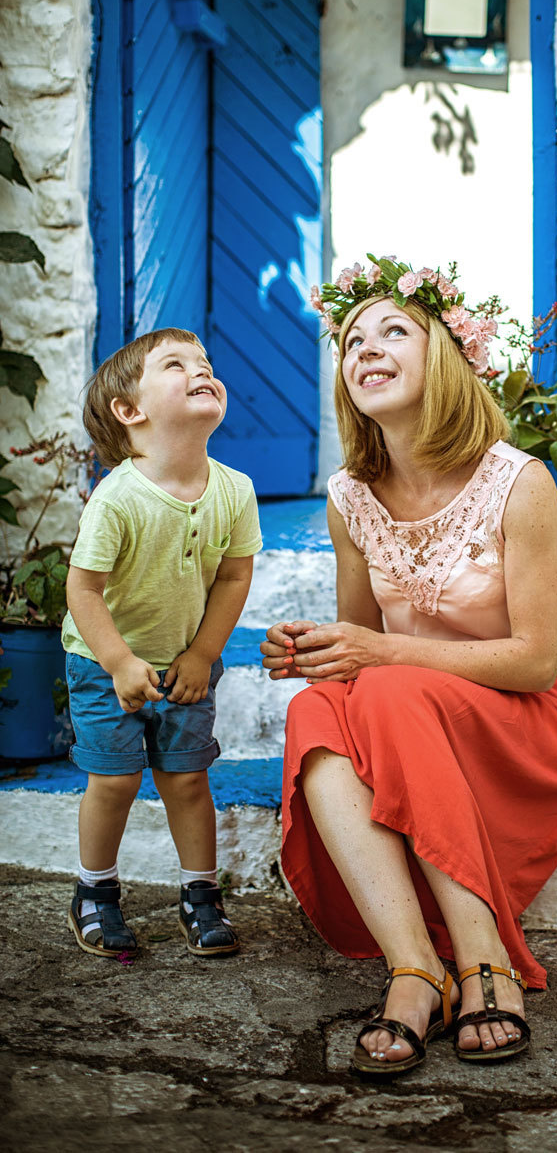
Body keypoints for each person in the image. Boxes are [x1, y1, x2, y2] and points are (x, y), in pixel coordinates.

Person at [261, 257, 557, 1078]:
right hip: (406, 718)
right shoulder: (350, 497)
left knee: (390, 681)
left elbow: (538, 658)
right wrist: (314, 650)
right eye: (351, 341)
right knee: (315, 710)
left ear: (442, 354)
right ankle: (416, 968)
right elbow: (359, 643)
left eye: (393, 331)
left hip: (517, 729)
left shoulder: (519, 482)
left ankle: (485, 954)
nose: (365, 348)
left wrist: (377, 654)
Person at [62, 329, 262, 958]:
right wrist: (119, 662)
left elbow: (233, 575)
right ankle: (95, 891)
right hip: (103, 663)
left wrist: (203, 653)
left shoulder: (235, 489)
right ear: (131, 411)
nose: (202, 370)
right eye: (176, 365)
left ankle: (200, 894)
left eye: (206, 363)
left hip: (184, 665)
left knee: (187, 778)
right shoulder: (118, 497)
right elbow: (84, 590)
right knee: (115, 781)